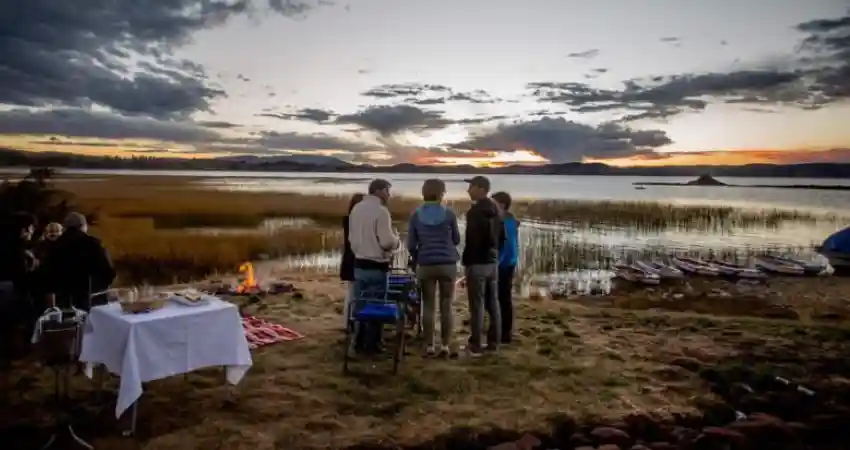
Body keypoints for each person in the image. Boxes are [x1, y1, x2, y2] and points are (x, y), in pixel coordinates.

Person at [407, 179, 461, 357]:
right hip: (447, 264)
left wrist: (418, 254)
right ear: (441, 193)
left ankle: (429, 345)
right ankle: (445, 345)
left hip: (425, 263)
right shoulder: (450, 214)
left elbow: (411, 244)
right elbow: (456, 239)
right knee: (446, 305)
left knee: (428, 305)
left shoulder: (415, 215)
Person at [348, 179, 400, 352]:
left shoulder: (356, 208)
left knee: (360, 305)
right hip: (377, 266)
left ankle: (358, 342)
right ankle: (372, 345)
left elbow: (351, 238)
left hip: (359, 264)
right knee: (376, 306)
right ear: (378, 191)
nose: (389, 195)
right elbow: (386, 241)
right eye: (387, 191)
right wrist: (396, 241)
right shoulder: (381, 211)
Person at [462, 176, 504, 356]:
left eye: (471, 187)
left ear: (481, 188)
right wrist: (494, 254)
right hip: (492, 263)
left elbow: (472, 241)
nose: (468, 190)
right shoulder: (496, 209)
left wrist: (468, 262)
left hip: (477, 263)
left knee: (477, 305)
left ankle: (476, 344)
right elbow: (502, 238)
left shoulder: (475, 212)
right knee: (493, 303)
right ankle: (494, 342)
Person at [42, 212, 116, 311]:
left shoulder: (54, 245)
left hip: (62, 300)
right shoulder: (93, 244)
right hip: (90, 298)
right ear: (82, 226)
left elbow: (47, 273)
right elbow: (108, 271)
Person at [0, 212, 38, 365]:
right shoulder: (19, 251)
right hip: (11, 292)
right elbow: (22, 277)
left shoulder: (7, 244)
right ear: (23, 229)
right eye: (30, 228)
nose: (32, 231)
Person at [491, 191, 520, 344]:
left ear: (501, 204)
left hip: (504, 263)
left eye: (493, 202)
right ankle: (503, 332)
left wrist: (496, 263)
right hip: (509, 262)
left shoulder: (504, 221)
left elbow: (507, 245)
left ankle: (504, 333)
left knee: (502, 298)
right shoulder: (510, 220)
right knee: (503, 298)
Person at [340, 193, 365, 330]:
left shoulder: (348, 220)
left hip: (349, 259)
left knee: (351, 292)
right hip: (355, 259)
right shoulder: (356, 221)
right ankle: (352, 322)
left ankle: (348, 322)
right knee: (354, 293)